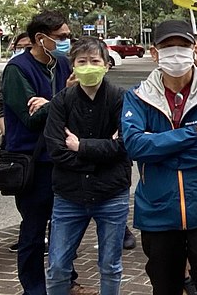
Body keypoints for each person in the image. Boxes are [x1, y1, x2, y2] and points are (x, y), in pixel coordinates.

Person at [121, 20, 197, 295]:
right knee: (165, 287)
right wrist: (193, 133)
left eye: (183, 46)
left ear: (193, 50)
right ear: (154, 52)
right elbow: (135, 146)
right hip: (158, 212)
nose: (176, 53)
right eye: (167, 46)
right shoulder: (137, 96)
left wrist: (164, 153)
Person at [2, 11, 96, 295]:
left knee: (64, 227)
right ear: (40, 39)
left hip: (63, 158)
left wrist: (52, 103)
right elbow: (30, 118)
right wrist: (61, 99)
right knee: (33, 230)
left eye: (69, 36)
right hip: (33, 161)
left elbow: (75, 110)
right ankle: (34, 288)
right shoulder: (18, 69)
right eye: (62, 37)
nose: (67, 42)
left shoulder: (62, 66)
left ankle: (66, 281)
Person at [44, 37, 131, 295]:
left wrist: (81, 146)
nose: (88, 66)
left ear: (106, 65)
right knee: (58, 265)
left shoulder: (121, 99)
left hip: (111, 194)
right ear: (73, 66)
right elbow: (56, 150)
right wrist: (104, 151)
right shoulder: (61, 101)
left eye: (95, 61)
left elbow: (125, 146)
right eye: (82, 62)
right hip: (69, 195)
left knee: (110, 265)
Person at [0, 32, 32, 151]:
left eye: (29, 47)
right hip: (15, 142)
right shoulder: (12, 69)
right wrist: (7, 132)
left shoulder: (52, 68)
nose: (24, 51)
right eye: (19, 47)